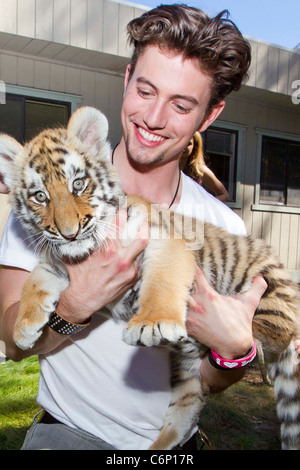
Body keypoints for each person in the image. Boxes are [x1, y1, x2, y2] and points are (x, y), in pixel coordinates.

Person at [0, 5, 268, 450]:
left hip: (173, 444)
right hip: (71, 436)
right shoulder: (45, 196)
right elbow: (13, 343)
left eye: (181, 105)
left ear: (209, 115)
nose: (154, 117)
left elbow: (207, 380)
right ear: (126, 80)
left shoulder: (223, 224)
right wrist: (74, 305)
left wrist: (233, 352)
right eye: (145, 90)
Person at [180, 131, 229, 202]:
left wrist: (205, 205)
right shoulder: (165, 166)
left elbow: (224, 195)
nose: (184, 146)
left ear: (195, 147)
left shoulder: (199, 170)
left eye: (188, 144)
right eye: (182, 142)